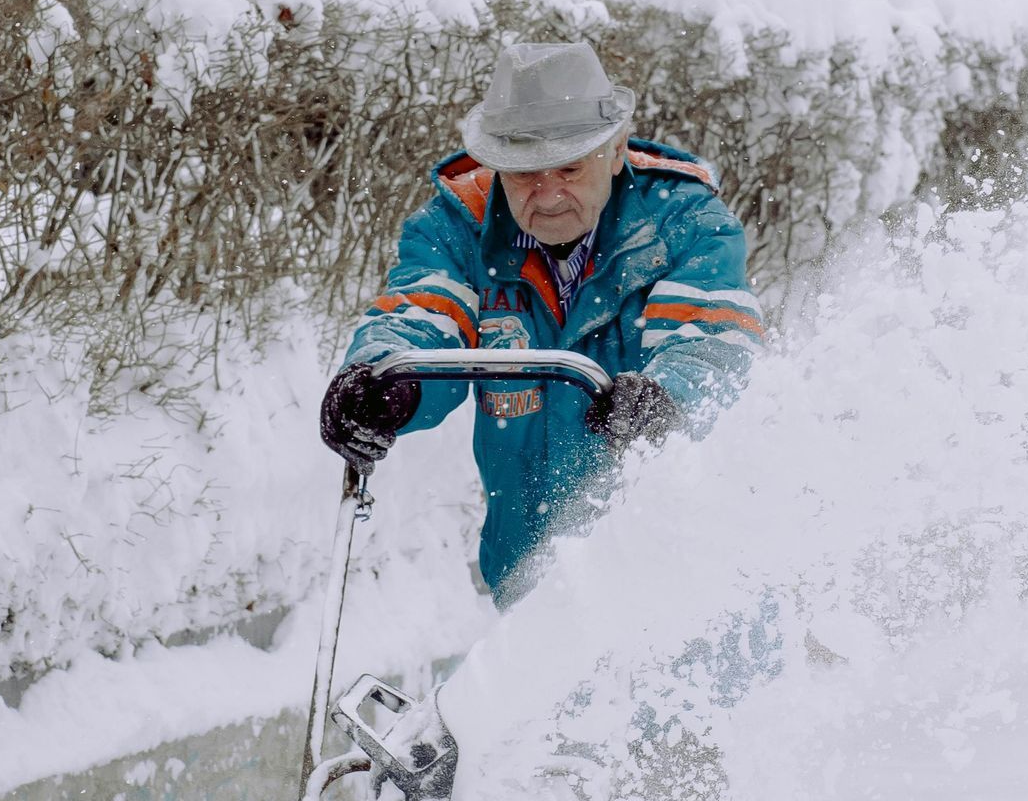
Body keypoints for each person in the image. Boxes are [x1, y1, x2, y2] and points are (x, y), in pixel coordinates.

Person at [320, 42, 762, 598]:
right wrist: (381, 383)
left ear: (617, 148)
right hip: (529, 565)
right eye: (525, 173)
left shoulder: (684, 223)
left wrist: (665, 401)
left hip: (679, 568)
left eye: (571, 168)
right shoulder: (458, 228)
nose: (548, 195)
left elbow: (712, 343)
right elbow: (420, 316)